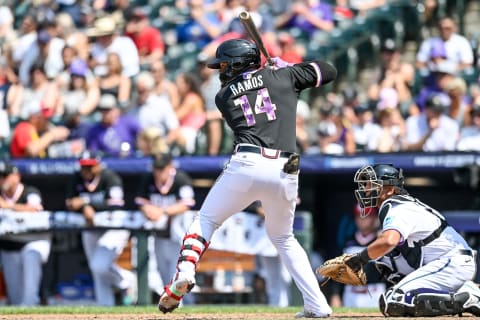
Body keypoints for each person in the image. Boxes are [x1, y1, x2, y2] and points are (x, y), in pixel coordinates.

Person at [158, 38, 337, 318]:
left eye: (226, 64)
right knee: (284, 237)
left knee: (205, 220)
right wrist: (290, 68)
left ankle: (185, 271)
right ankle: (317, 304)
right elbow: (328, 70)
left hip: (247, 162)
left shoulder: (224, 96)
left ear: (239, 63)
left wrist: (280, 73)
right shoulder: (284, 75)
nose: (222, 71)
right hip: (286, 167)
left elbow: (256, 89)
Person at [344, 163, 480, 317]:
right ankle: (460, 290)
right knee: (385, 260)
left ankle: (467, 297)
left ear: (390, 189)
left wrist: (359, 259)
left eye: (372, 185)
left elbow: (389, 241)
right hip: (445, 262)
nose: (366, 189)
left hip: (452, 262)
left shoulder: (396, 207)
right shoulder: (399, 203)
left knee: (394, 300)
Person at [65, 151, 135, 306]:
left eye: (90, 167)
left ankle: (126, 280)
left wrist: (86, 204)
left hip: (114, 227)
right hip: (91, 228)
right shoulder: (76, 178)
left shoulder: (110, 177)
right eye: (84, 167)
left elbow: (116, 204)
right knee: (96, 271)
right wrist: (84, 206)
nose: (86, 171)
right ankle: (105, 308)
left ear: (98, 165)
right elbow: (69, 202)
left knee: (99, 265)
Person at [134, 152, 196, 299]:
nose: (159, 172)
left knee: (178, 273)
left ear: (170, 166)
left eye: (162, 168)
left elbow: (187, 203)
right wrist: (148, 209)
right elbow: (140, 201)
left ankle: (186, 305)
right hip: (159, 235)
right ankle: (171, 306)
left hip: (179, 234)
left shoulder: (180, 178)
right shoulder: (148, 178)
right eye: (157, 168)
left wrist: (161, 211)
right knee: (163, 274)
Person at [0, 161, 51, 306]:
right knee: (16, 297)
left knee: (31, 257)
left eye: (5, 175)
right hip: (9, 245)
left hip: (34, 240)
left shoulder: (29, 191)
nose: (2, 180)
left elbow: (35, 209)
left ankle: (32, 303)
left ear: (17, 176)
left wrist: (8, 206)